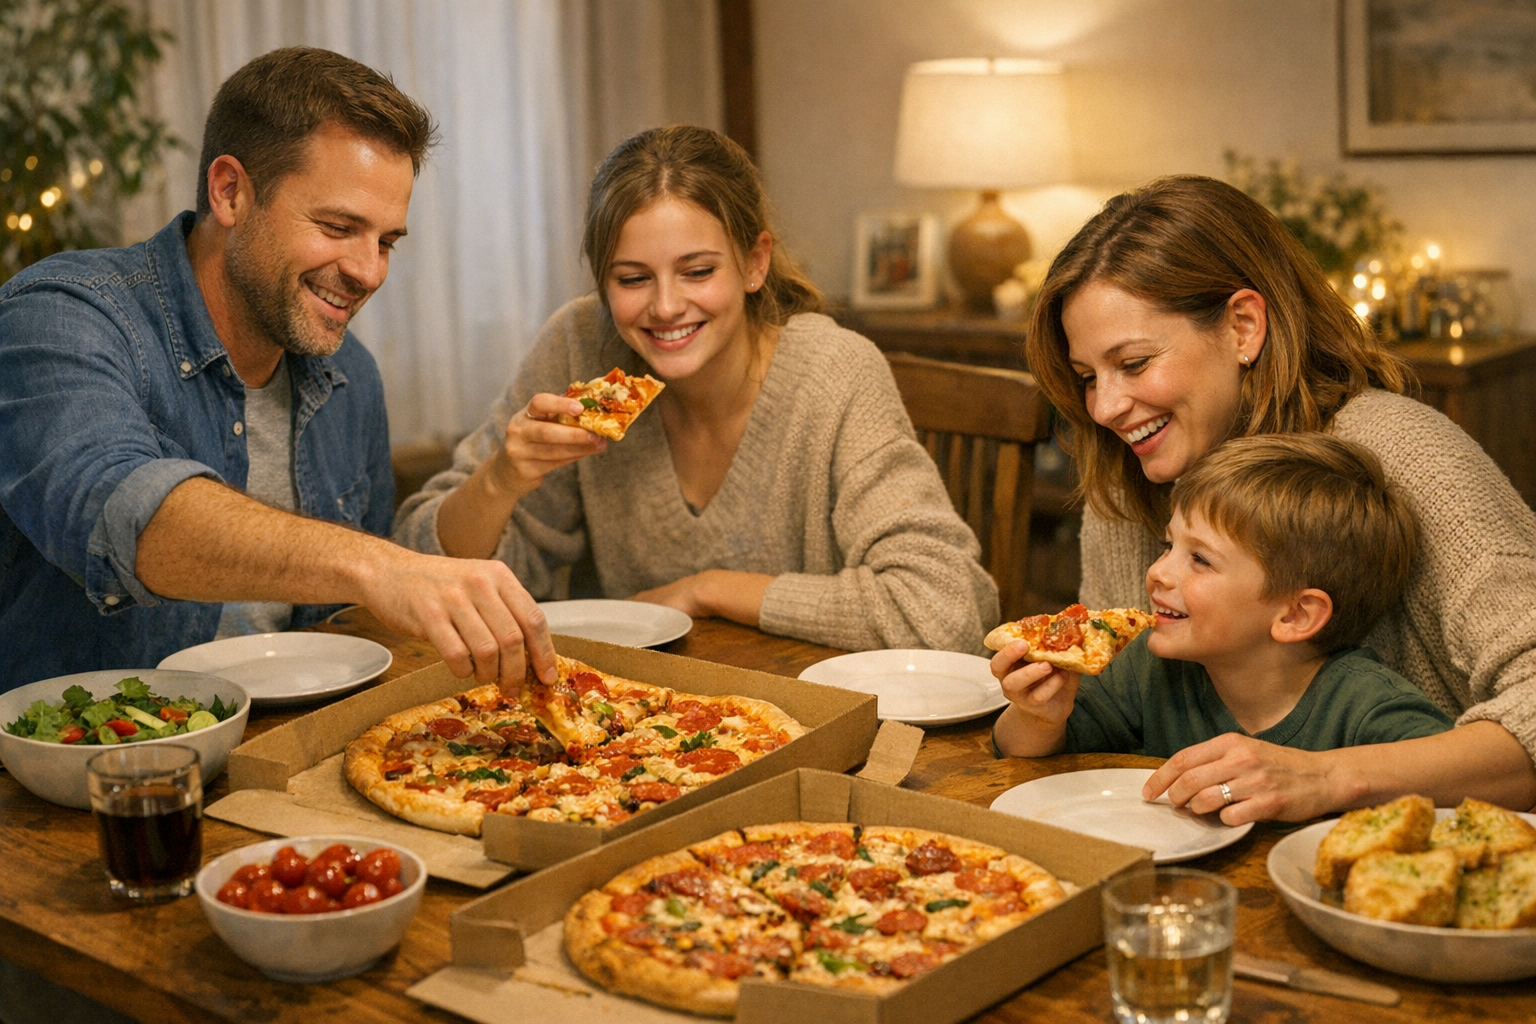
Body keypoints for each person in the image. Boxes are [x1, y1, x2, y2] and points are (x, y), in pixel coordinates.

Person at [0, 47, 555, 694]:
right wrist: (376, 567)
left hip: (292, 758)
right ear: (230, 191)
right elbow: (125, 515)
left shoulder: (350, 375)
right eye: (339, 226)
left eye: (386, 241)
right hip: (79, 778)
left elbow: (353, 626)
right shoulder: (60, 317)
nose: (370, 271)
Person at [1018, 174, 1536, 822]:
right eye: (1089, 377)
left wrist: (1329, 777)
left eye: (1135, 363)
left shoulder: (1403, 454)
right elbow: (1110, 719)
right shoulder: (1128, 483)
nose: (1105, 407)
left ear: (1243, 326)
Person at [394, 125, 998, 652]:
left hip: (814, 720)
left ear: (755, 262)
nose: (664, 307)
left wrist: (708, 590)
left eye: (698, 271)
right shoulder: (583, 344)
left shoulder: (833, 373)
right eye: (632, 278)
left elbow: (945, 610)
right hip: (632, 730)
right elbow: (425, 569)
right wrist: (501, 479)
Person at [992, 433, 1453, 759]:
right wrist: (1039, 718)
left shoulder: (1369, 708)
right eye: (1168, 546)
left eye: (1201, 560)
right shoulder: (1149, 669)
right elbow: (1023, 758)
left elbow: (1463, 794)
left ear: (1296, 614)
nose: (1157, 573)